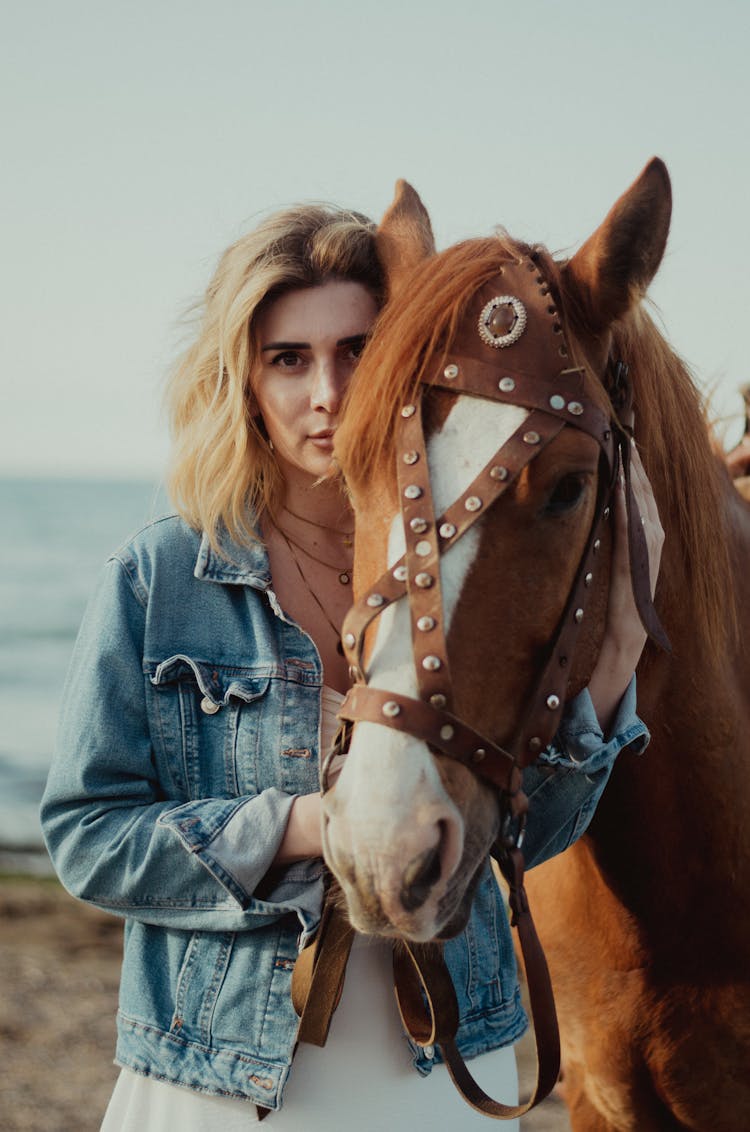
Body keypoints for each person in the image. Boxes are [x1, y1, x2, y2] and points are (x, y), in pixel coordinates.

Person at [41, 201, 663, 1132]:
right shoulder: (162, 575)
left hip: (448, 1069)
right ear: (243, 380)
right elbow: (88, 836)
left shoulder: (457, 572)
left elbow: (530, 839)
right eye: (288, 358)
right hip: (218, 1080)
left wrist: (608, 685)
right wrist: (301, 826)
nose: (328, 391)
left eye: (358, 351)